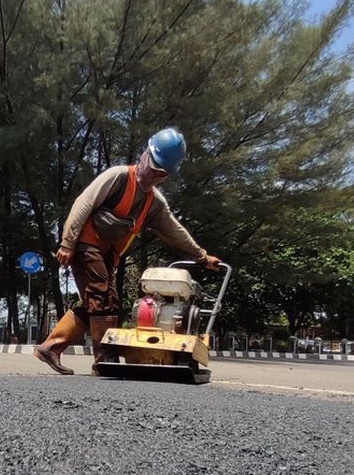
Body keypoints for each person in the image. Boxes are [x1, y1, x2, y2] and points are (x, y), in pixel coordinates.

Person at [34, 127, 222, 375]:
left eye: (161, 173)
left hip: (105, 255)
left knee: (95, 301)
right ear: (144, 155)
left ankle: (51, 347)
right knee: (103, 299)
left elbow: (174, 231)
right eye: (153, 166)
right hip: (84, 245)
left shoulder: (153, 202)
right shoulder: (118, 176)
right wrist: (67, 243)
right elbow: (83, 203)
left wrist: (202, 257)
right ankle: (105, 360)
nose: (153, 175)